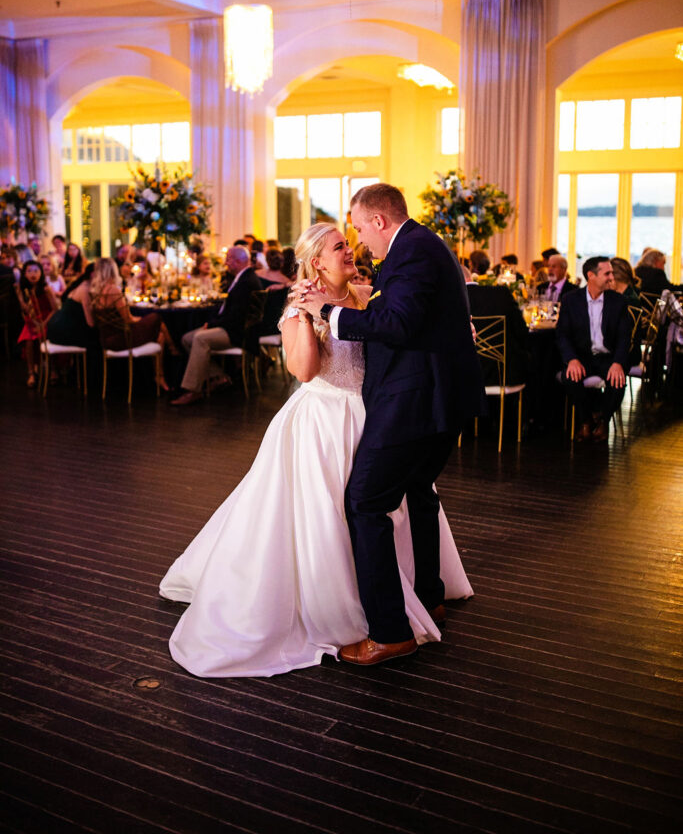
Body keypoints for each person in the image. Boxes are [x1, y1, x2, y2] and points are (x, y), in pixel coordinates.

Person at [160, 221, 473, 677]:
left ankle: (418, 591)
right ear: (315, 262)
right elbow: (305, 372)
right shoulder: (296, 311)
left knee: (391, 504)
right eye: (339, 247)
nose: (350, 251)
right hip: (323, 423)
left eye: (349, 243)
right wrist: (309, 315)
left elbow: (404, 325)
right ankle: (346, 606)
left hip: (375, 416)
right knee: (330, 516)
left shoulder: (368, 295)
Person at [299, 184, 483, 665]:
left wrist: (327, 311)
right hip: (436, 398)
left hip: (415, 400)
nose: (360, 241)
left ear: (378, 221)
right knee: (419, 488)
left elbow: (397, 324)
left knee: (365, 503)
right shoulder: (421, 248)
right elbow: (408, 315)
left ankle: (389, 631)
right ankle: (429, 595)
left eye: (359, 228)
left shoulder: (413, 251)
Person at [171, 245, 262, 406]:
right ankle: (219, 376)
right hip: (231, 326)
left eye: (229, 259)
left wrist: (212, 324)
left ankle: (193, 390)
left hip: (239, 333)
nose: (226, 263)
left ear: (239, 261)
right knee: (186, 339)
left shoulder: (247, 281)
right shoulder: (240, 277)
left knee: (200, 338)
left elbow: (236, 317)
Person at [556, 256, 631, 443]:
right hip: (582, 357)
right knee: (570, 377)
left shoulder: (618, 301)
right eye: (607, 273)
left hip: (608, 357)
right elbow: (562, 335)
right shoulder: (571, 300)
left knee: (618, 381)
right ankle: (586, 421)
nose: (611, 277)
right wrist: (572, 359)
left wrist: (618, 363)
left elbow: (624, 337)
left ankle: (604, 421)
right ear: (591, 275)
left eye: (612, 273)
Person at [466, 249, 531, 387]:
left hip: (464, 377)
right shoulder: (502, 294)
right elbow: (522, 332)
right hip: (505, 375)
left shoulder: (451, 300)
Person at [15, 260, 58, 386]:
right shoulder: (23, 290)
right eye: (29, 271)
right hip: (32, 320)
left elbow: (55, 309)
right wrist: (21, 299)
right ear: (24, 274)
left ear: (41, 273)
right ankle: (31, 372)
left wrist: (44, 324)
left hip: (46, 319)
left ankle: (53, 369)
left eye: (36, 271)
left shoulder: (46, 289)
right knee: (28, 340)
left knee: (47, 337)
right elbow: (24, 311)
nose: (33, 274)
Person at [47, 263, 99, 349]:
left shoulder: (82, 284)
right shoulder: (85, 289)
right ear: (92, 274)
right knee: (98, 339)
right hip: (62, 332)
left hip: (58, 328)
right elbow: (91, 323)